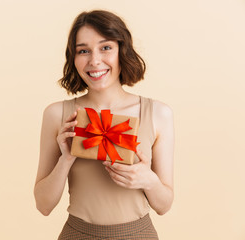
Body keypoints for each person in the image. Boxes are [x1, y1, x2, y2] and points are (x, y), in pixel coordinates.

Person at [34, 10, 174, 240]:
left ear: (122, 51)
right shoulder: (56, 114)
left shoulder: (158, 114)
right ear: (74, 57)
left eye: (106, 47)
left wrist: (147, 179)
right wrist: (66, 158)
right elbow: (43, 205)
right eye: (83, 51)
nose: (94, 60)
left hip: (139, 235)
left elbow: (164, 205)